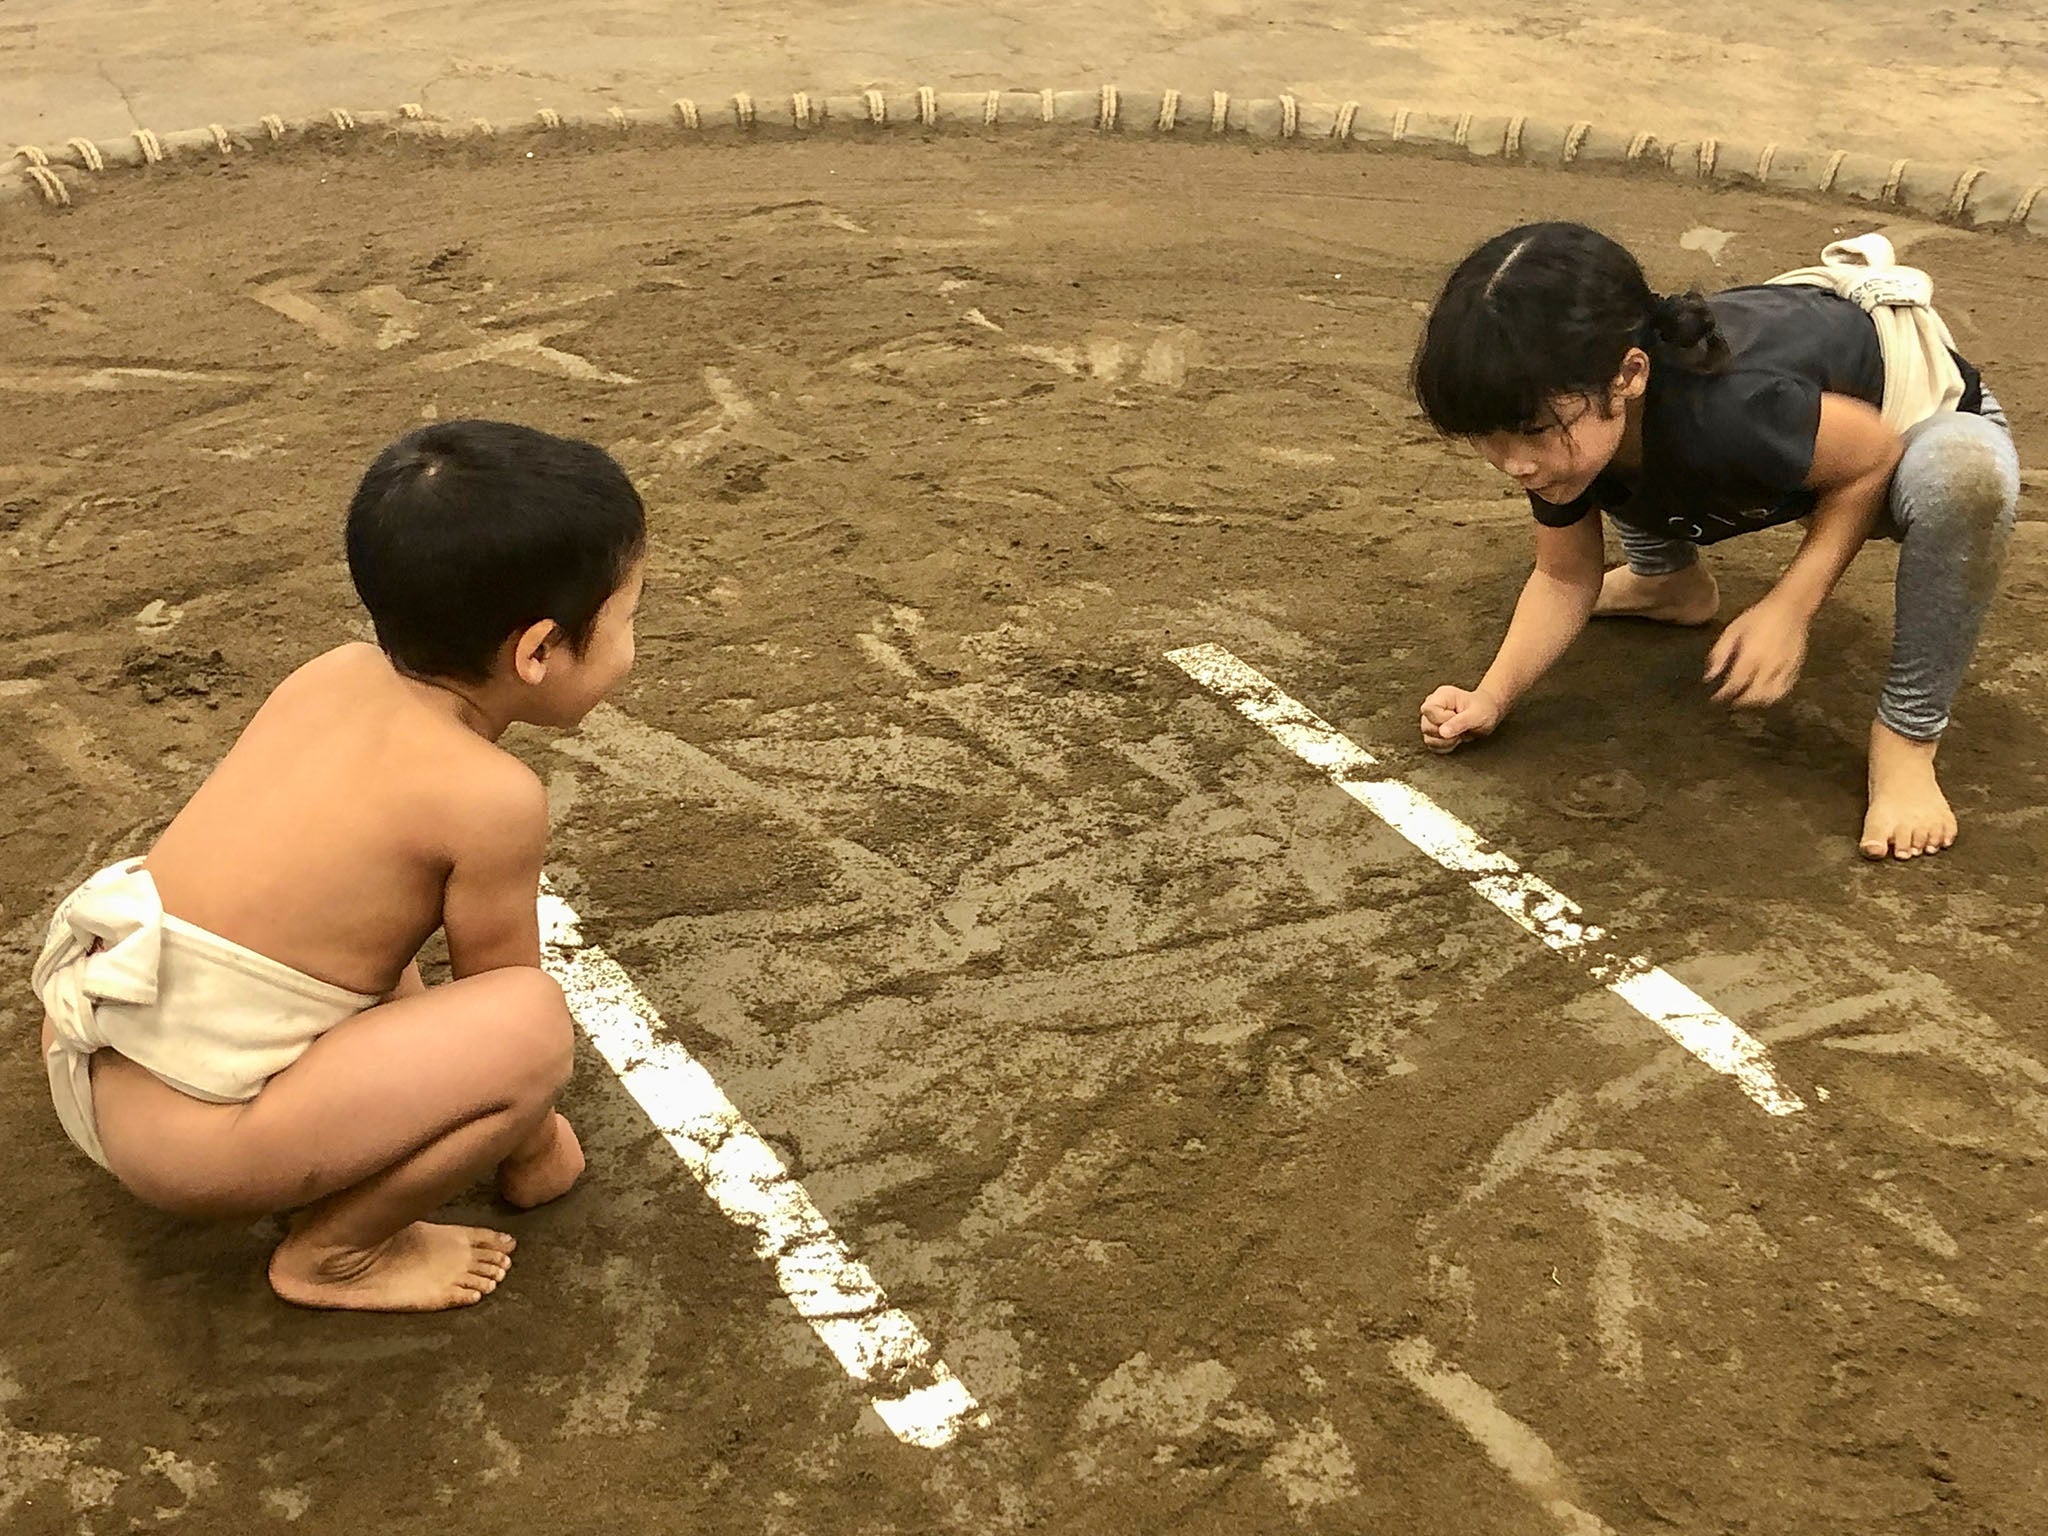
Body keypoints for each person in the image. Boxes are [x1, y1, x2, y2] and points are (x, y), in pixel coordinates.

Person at [33, 420, 647, 1311]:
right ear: (539, 651)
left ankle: (296, 1143)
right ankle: (335, 1255)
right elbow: (499, 992)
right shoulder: (491, 797)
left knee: (371, 928)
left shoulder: (333, 672)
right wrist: (537, 1143)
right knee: (529, 1029)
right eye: (627, 621)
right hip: (191, 1147)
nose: (634, 644)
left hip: (88, 1045)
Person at [1411, 222, 2019, 860]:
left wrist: (1789, 608)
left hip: (1912, 422)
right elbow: (1564, 575)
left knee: (1965, 481)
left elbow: (1871, 459)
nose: (1515, 464)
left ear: (1630, 374)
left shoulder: (1730, 408)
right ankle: (1667, 582)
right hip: (1781, 437)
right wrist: (1491, 695)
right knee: (1602, 456)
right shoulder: (1563, 415)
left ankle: (1907, 739)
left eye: (1530, 431)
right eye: (1489, 438)